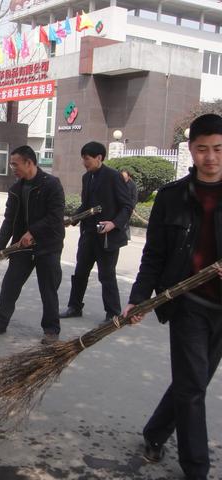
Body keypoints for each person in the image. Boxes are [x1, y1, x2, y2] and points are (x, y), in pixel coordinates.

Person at [124, 114, 222, 480]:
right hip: (186, 303)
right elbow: (154, 255)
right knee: (193, 386)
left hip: (220, 308)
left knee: (191, 382)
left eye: (218, 149)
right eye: (202, 149)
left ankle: (155, 432)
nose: (210, 157)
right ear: (191, 150)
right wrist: (137, 297)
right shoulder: (172, 198)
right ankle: (196, 468)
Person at [0, 146, 65, 345]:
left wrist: (33, 232)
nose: (12, 168)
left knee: (48, 289)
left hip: (48, 245)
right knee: (10, 284)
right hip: (21, 247)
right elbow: (9, 220)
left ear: (29, 162)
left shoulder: (52, 184)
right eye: (11, 164)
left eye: (15, 164)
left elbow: (55, 217)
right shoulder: (16, 189)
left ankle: (51, 330)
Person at [59, 141, 133, 323]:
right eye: (83, 159)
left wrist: (114, 223)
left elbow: (127, 206)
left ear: (99, 158)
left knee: (106, 274)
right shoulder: (87, 178)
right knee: (80, 271)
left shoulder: (113, 177)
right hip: (89, 234)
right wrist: (73, 219)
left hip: (107, 235)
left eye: (87, 159)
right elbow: (86, 204)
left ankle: (113, 312)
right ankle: (74, 306)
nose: (84, 162)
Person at [120, 168, 138, 240]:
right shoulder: (118, 182)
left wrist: (131, 207)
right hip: (119, 205)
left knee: (125, 221)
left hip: (128, 206)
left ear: (129, 177)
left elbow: (134, 197)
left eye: (125, 178)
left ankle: (126, 236)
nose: (123, 179)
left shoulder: (132, 185)